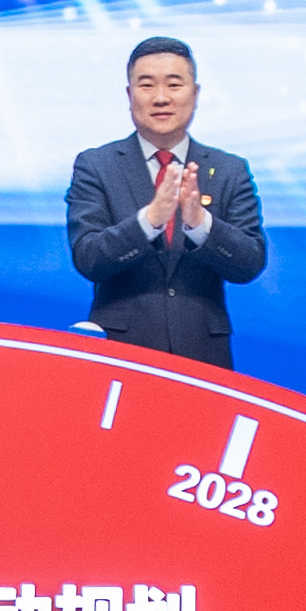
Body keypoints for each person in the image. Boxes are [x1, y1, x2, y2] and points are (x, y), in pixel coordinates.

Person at [67, 31, 266, 366]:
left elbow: (250, 263)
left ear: (195, 94)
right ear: (129, 95)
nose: (161, 98)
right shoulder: (96, 166)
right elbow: (89, 258)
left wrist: (201, 225)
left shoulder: (229, 170)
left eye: (174, 84)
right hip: (122, 355)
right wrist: (149, 222)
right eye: (147, 85)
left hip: (203, 357)